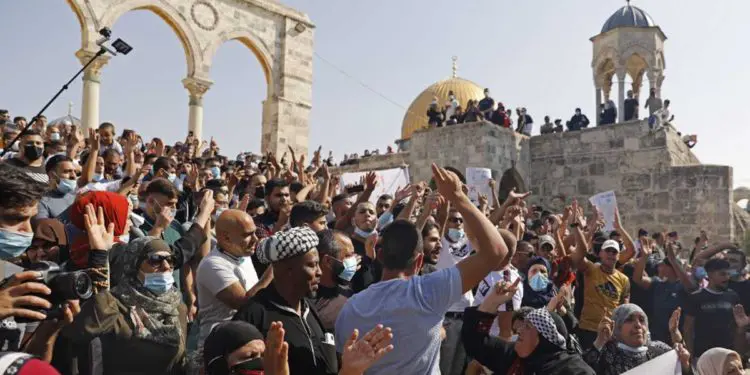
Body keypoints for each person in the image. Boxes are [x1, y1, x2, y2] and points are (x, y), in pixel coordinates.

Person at [334, 164, 513, 375]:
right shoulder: (429, 291)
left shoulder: (350, 308)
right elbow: (497, 251)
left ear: (379, 254)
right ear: (419, 262)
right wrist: (458, 197)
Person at [67, 206, 188, 375]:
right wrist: (100, 256)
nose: (166, 266)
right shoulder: (114, 305)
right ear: (134, 266)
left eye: (170, 260)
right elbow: (81, 336)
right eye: (155, 260)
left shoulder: (178, 308)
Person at [233, 226, 338, 375]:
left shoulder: (307, 308)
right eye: (312, 265)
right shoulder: (254, 315)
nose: (319, 272)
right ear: (286, 270)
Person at [462, 281, 595, 375]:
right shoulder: (513, 356)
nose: (519, 330)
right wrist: (492, 301)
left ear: (544, 336)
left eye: (527, 326)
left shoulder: (573, 370)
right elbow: (474, 341)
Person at [195, 209, 270, 364]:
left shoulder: (242, 253)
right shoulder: (213, 265)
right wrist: (275, 268)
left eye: (255, 233)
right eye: (247, 235)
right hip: (223, 353)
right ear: (226, 237)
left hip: (247, 345)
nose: (255, 239)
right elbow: (245, 304)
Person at [582, 303, 690, 374]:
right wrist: (600, 342)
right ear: (617, 327)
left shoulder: (659, 350)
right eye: (629, 319)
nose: (638, 325)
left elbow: (682, 370)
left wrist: (685, 364)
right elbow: (580, 370)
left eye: (642, 320)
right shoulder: (605, 353)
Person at [684, 258, 740, 359]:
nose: (727, 278)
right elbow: (688, 329)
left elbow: (736, 328)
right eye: (722, 274)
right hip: (702, 355)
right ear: (710, 275)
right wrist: (690, 356)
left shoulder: (733, 296)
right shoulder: (696, 297)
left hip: (727, 355)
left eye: (728, 274)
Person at [313, 229, 356, 332]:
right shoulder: (307, 299)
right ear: (328, 261)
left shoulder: (349, 294)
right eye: (348, 256)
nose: (353, 260)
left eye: (353, 254)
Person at [36, 155, 79, 221]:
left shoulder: (76, 195)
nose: (73, 176)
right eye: (67, 171)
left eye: (75, 172)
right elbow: (43, 228)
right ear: (52, 175)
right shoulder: (41, 201)